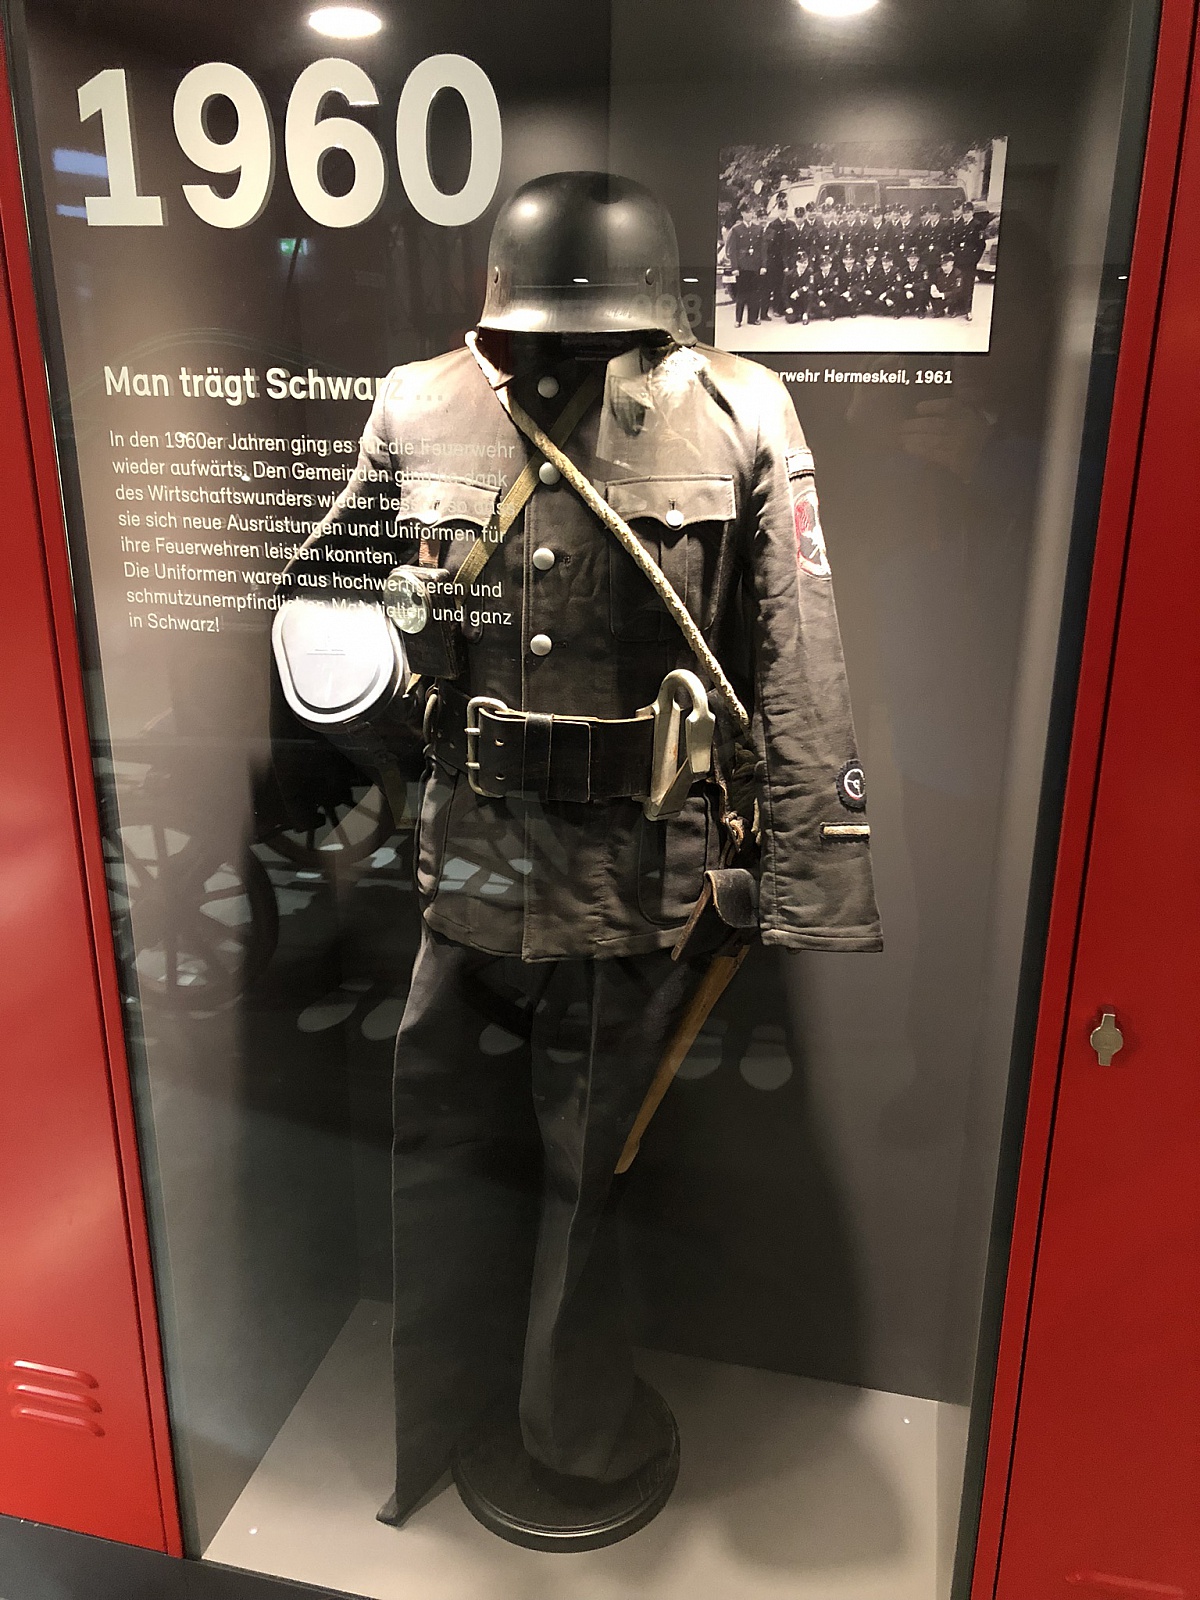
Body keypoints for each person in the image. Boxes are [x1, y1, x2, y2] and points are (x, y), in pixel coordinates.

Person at [725, 203, 765, 327]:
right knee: (742, 294)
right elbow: (732, 251)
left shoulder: (758, 229)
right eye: (747, 212)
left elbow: (762, 249)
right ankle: (738, 319)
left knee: (755, 294)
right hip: (742, 267)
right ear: (742, 214)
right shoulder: (736, 230)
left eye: (751, 212)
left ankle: (753, 318)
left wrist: (763, 265)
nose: (749, 215)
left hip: (755, 266)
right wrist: (735, 268)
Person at [763, 192, 799, 319]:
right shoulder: (773, 225)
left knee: (789, 283)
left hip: (790, 258)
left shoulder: (791, 224)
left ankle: (788, 307)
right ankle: (777, 308)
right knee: (778, 284)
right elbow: (769, 245)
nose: (784, 212)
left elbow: (795, 242)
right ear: (778, 210)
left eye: (785, 209)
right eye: (782, 209)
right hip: (777, 260)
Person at [810, 249, 843, 319]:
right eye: (823, 266)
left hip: (829, 297)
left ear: (830, 265)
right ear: (820, 267)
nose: (825, 268)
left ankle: (832, 313)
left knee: (835, 294)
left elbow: (835, 287)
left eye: (827, 265)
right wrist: (819, 301)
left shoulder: (834, 275)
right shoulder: (815, 276)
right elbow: (813, 289)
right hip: (819, 298)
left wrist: (824, 291)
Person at [786, 247, 815, 323]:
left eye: (805, 263)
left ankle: (806, 313)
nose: (803, 265)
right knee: (791, 320)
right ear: (797, 263)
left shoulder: (809, 272)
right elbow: (784, 292)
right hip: (793, 301)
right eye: (801, 263)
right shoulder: (789, 274)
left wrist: (799, 291)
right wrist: (788, 306)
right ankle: (798, 313)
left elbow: (810, 285)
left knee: (810, 293)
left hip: (804, 299)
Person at [898, 247, 930, 316]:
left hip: (918, 290)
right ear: (907, 259)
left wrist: (913, 286)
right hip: (907, 291)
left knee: (922, 290)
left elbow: (926, 282)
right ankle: (902, 309)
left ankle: (921, 310)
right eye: (910, 258)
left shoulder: (923, 268)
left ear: (918, 259)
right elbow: (901, 282)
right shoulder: (904, 270)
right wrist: (907, 291)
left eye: (915, 258)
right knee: (899, 291)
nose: (912, 261)